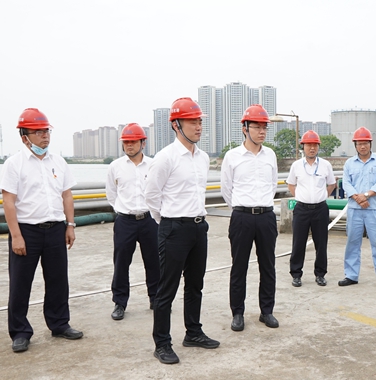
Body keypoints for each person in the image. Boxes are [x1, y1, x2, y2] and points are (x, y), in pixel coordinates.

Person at [0, 108, 83, 353]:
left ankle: (59, 324)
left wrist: (70, 225)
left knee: (58, 280)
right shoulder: (14, 164)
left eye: (46, 131)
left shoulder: (58, 162)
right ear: (24, 136)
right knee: (20, 283)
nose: (45, 136)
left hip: (55, 229)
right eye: (38, 132)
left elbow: (66, 195)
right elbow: (8, 201)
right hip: (27, 231)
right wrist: (16, 236)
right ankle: (20, 332)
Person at [145, 97, 219, 365]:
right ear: (176, 125)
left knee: (195, 284)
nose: (198, 127)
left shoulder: (203, 158)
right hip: (174, 228)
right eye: (192, 122)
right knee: (167, 288)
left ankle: (193, 332)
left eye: (199, 121)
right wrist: (167, 222)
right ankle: (162, 343)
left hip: (199, 226)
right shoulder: (165, 158)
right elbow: (151, 195)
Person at [221, 104, 279, 331]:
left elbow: (273, 185)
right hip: (242, 217)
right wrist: (241, 208)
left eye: (264, 127)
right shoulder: (232, 156)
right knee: (239, 267)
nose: (262, 131)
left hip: (266, 217)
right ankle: (238, 313)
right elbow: (227, 189)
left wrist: (261, 205)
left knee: (268, 266)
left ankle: (267, 311)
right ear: (245, 128)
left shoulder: (270, 155)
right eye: (256, 127)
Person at [106, 123, 160, 321]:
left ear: (143, 143)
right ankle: (120, 303)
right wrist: (122, 210)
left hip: (149, 220)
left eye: (133, 142)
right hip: (125, 221)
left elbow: (159, 191)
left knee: (154, 261)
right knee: (121, 263)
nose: (129, 145)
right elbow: (111, 194)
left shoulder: (153, 165)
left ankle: (156, 298)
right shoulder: (115, 167)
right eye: (126, 142)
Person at [339, 127, 376, 289]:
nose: (362, 146)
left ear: (370, 144)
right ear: (355, 145)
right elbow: (346, 183)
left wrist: (366, 195)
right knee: (352, 242)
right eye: (359, 144)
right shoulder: (349, 163)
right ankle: (351, 275)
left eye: (365, 143)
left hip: (374, 209)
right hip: (354, 209)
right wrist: (358, 198)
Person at [286, 130, 337, 287]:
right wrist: (300, 197)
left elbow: (332, 184)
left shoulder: (325, 165)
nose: (312, 148)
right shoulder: (296, 165)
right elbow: (291, 184)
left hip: (320, 209)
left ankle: (320, 274)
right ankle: (296, 274)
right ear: (303, 147)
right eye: (308, 145)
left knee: (321, 243)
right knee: (298, 243)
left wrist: (323, 196)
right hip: (301, 209)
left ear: (318, 147)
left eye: (315, 145)